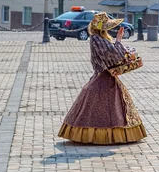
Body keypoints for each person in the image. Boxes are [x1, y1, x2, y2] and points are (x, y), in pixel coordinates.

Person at [59, 13, 147, 144]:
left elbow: (112, 55)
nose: (108, 29)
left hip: (104, 77)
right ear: (101, 28)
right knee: (102, 109)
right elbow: (114, 55)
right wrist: (118, 40)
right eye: (106, 27)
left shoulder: (98, 38)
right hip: (103, 77)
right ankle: (101, 136)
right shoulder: (96, 39)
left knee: (110, 107)